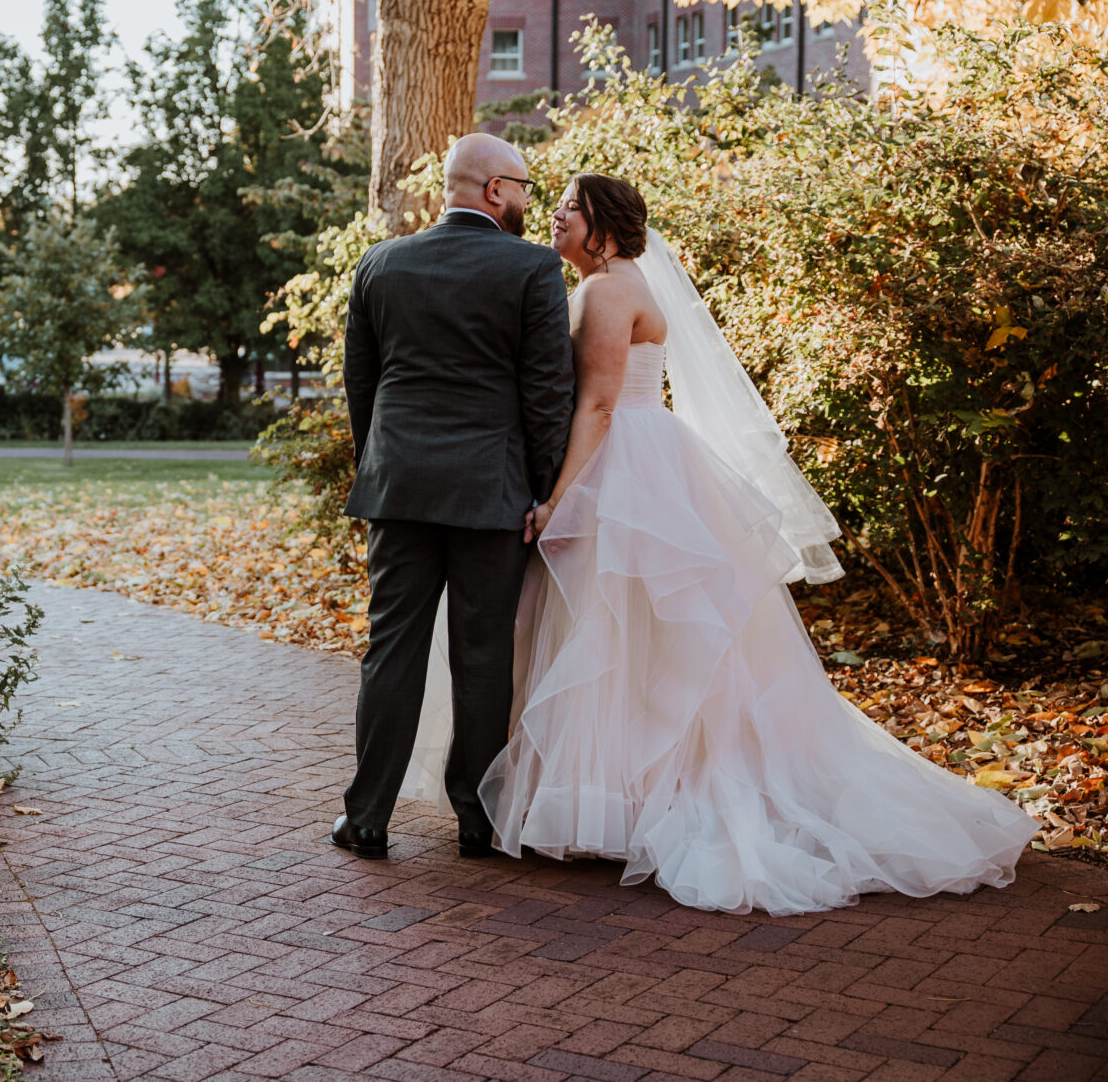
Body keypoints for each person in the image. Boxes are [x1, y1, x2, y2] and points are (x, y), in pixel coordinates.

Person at [406, 172, 1038, 915]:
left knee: (615, 630)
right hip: (644, 458)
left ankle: (613, 801)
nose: (554, 216)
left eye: (569, 208)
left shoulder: (607, 291)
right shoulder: (620, 281)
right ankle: (614, 793)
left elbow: (602, 403)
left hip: (622, 464)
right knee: (626, 635)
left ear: (601, 227)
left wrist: (560, 497)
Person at [331, 133, 577, 861]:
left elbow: (361, 385)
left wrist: (383, 463)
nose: (532, 201)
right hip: (489, 493)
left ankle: (367, 817)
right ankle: (477, 819)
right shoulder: (533, 267)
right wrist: (543, 489)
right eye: (527, 187)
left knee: (391, 649)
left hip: (399, 487)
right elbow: (547, 393)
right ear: (495, 190)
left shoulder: (381, 262)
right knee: (482, 654)